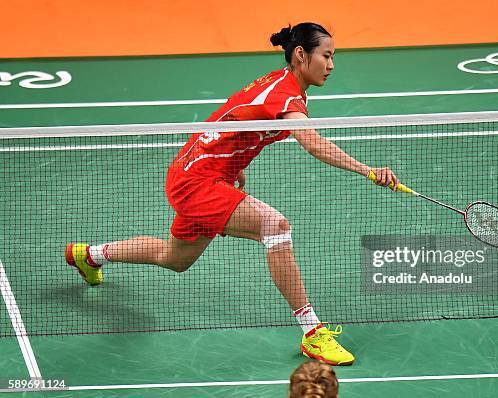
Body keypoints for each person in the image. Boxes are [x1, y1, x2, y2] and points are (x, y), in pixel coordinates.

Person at [65, 22, 398, 366]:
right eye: (326, 56)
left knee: (174, 259)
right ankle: (312, 333)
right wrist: (368, 171)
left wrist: (231, 162)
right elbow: (312, 143)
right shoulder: (285, 94)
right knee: (275, 226)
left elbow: (231, 116)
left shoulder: (279, 84)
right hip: (196, 183)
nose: (331, 65)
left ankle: (89, 255)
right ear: (301, 55)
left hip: (198, 173)